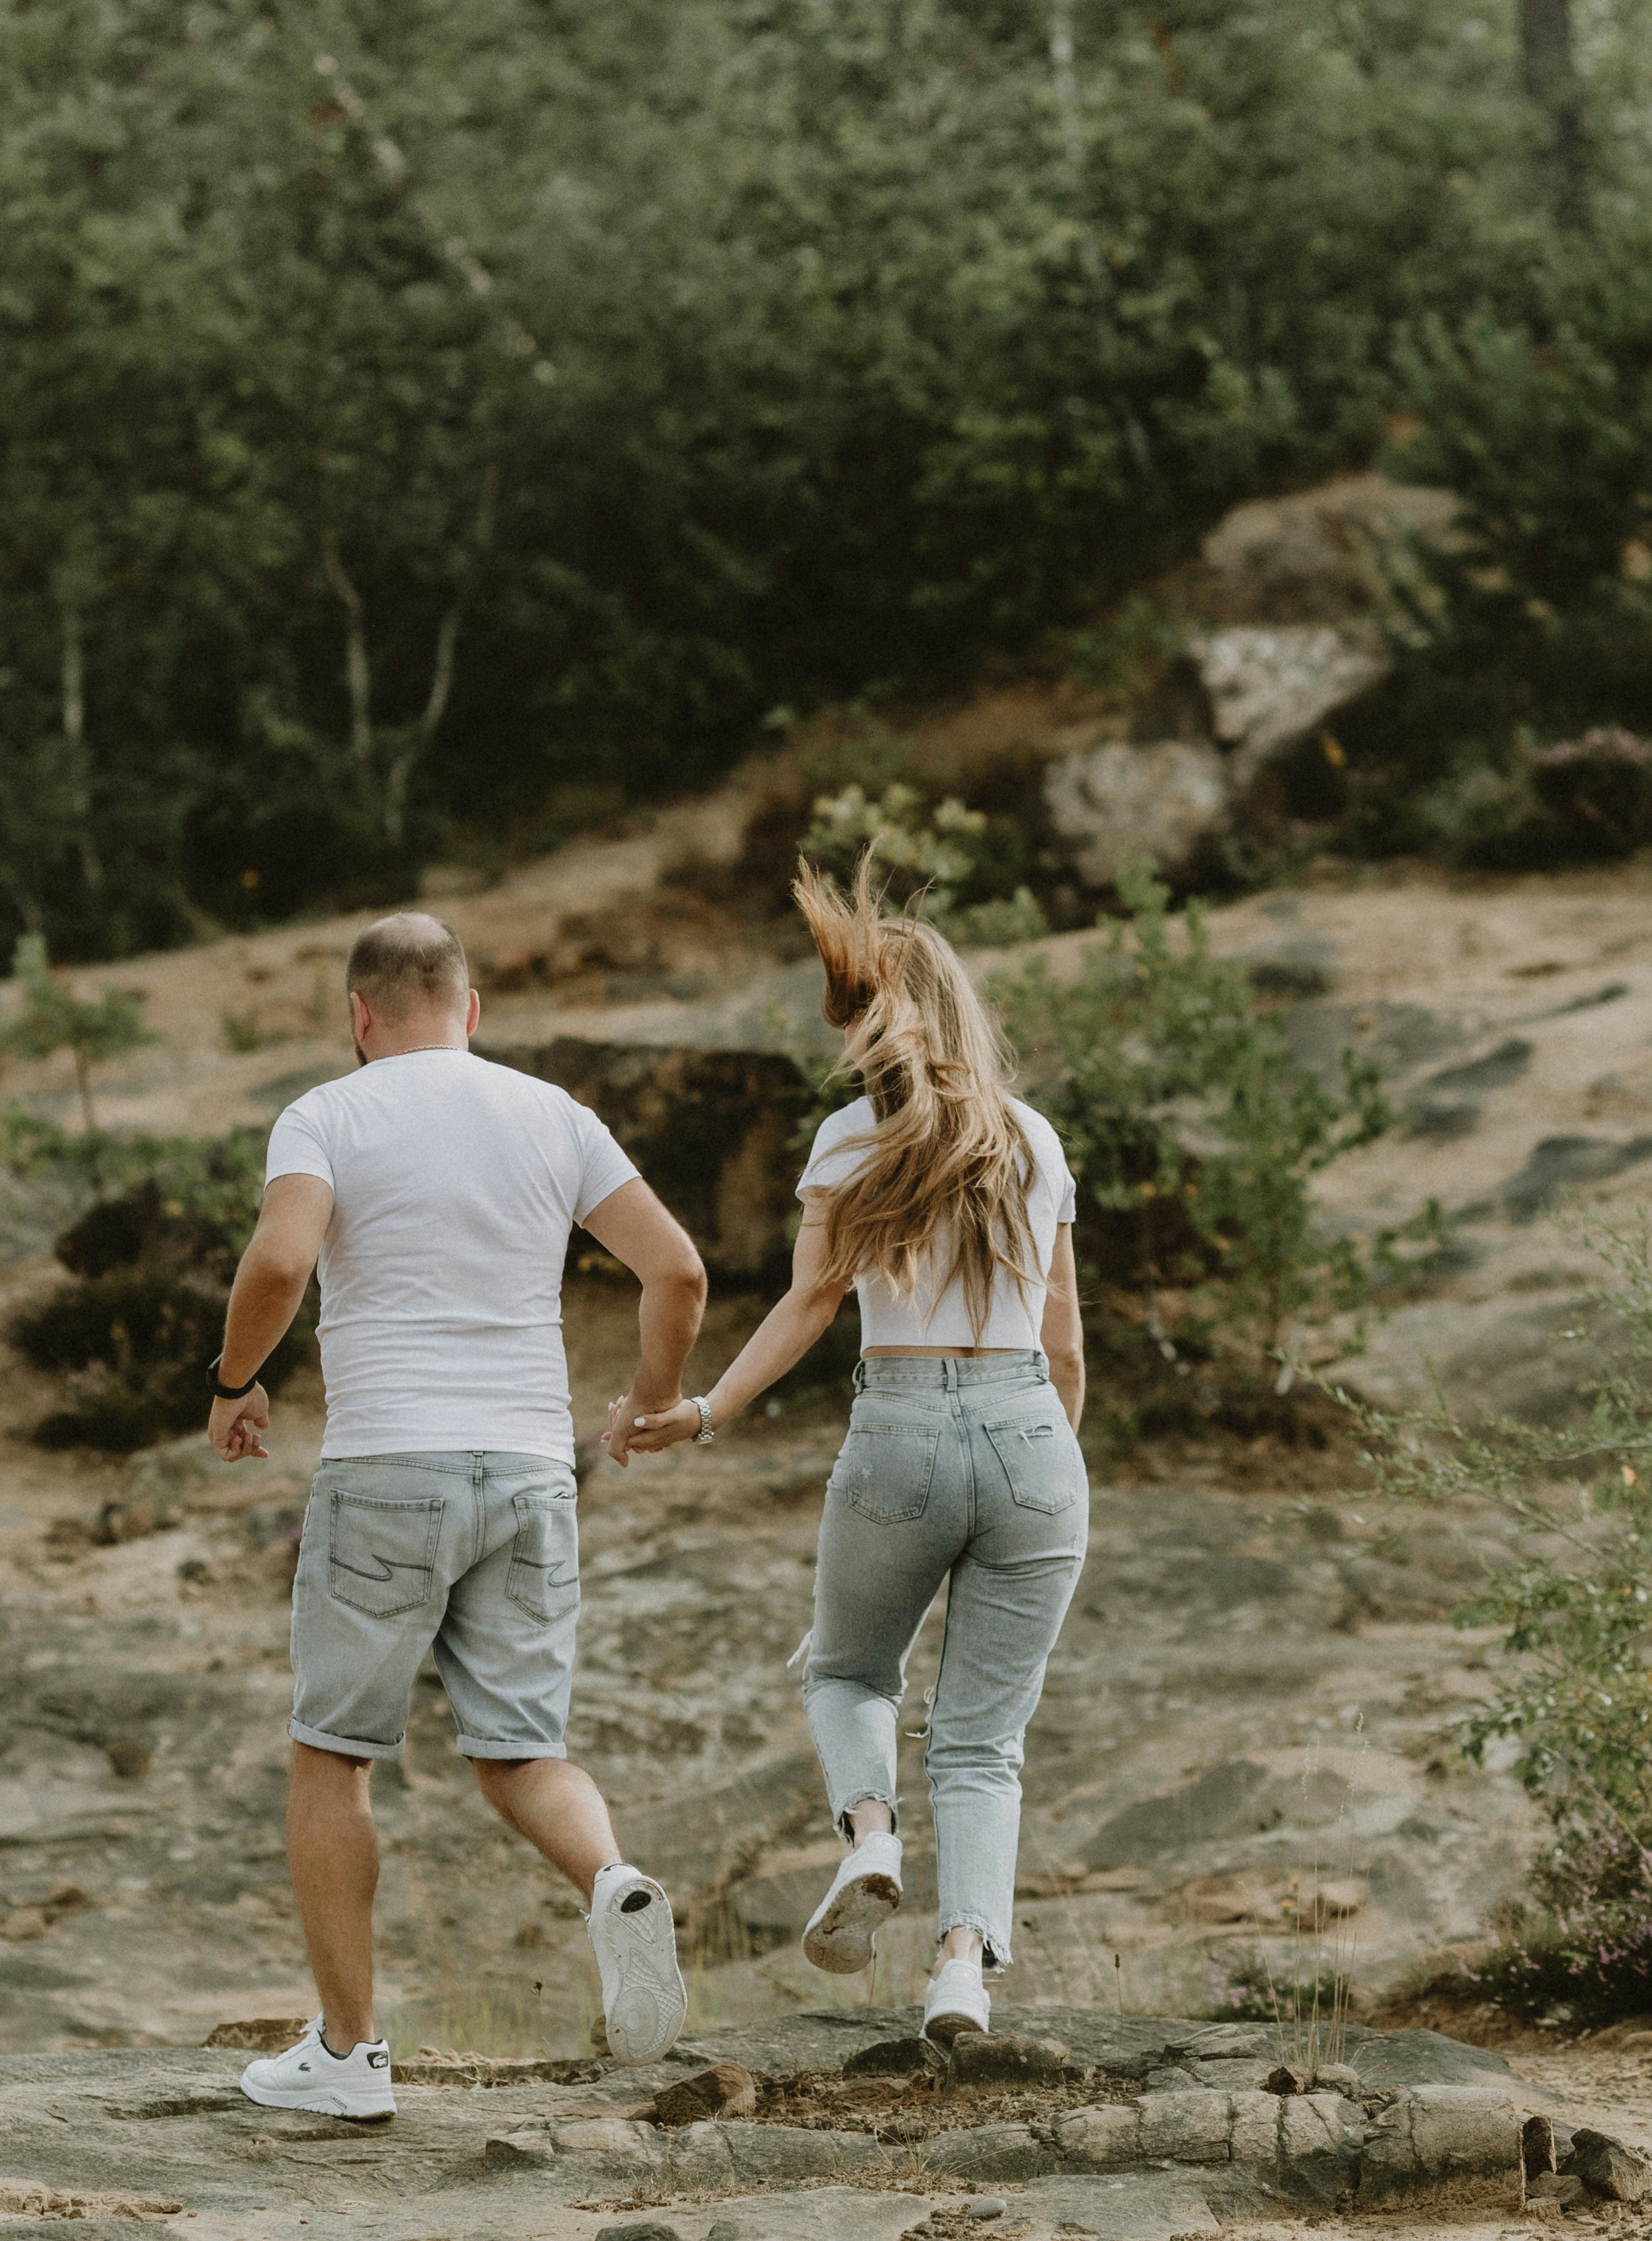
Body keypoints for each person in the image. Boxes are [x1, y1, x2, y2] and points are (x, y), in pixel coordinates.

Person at [209, 911, 710, 2118]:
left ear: (360, 1017)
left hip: (389, 1467)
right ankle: (614, 1883)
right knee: (523, 1754)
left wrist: (233, 1384)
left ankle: (349, 2055)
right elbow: (678, 1270)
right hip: (534, 1471)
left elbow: (280, 1265)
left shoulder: (328, 1112)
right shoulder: (555, 1115)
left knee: (335, 1758)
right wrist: (647, 1403)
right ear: (471, 1008)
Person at [608, 858, 1084, 2043]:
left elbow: (812, 1303)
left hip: (902, 1430)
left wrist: (706, 1411)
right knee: (983, 1743)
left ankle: (871, 1840)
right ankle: (962, 1973)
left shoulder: (847, 1140)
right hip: (1034, 1439)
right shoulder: (1033, 1141)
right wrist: (1033, 1469)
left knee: (846, 1670)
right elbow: (1067, 1347)